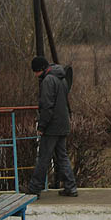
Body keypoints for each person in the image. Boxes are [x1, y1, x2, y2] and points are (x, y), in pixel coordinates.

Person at [25, 56, 77, 197]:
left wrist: (41, 126)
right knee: (62, 156)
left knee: (44, 157)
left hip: (52, 126)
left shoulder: (48, 81)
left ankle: (35, 187)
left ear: (40, 69)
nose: (35, 75)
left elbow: (47, 106)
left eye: (35, 71)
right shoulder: (61, 78)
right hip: (62, 123)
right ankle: (70, 187)